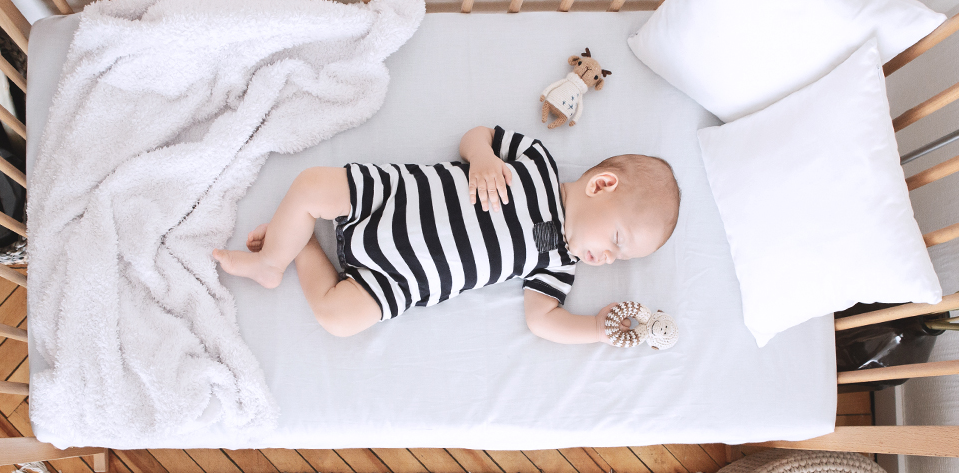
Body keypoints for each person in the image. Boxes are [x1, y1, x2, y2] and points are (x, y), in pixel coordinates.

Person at [213, 125, 680, 344]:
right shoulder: (536, 162)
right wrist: (481, 158)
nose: (607, 259)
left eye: (620, 259)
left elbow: (543, 320)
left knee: (338, 319)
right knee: (313, 182)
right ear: (601, 185)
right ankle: (271, 261)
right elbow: (479, 134)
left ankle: (303, 248)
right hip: (392, 197)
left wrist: (597, 328)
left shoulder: (558, 261)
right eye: (616, 242)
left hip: (398, 280)